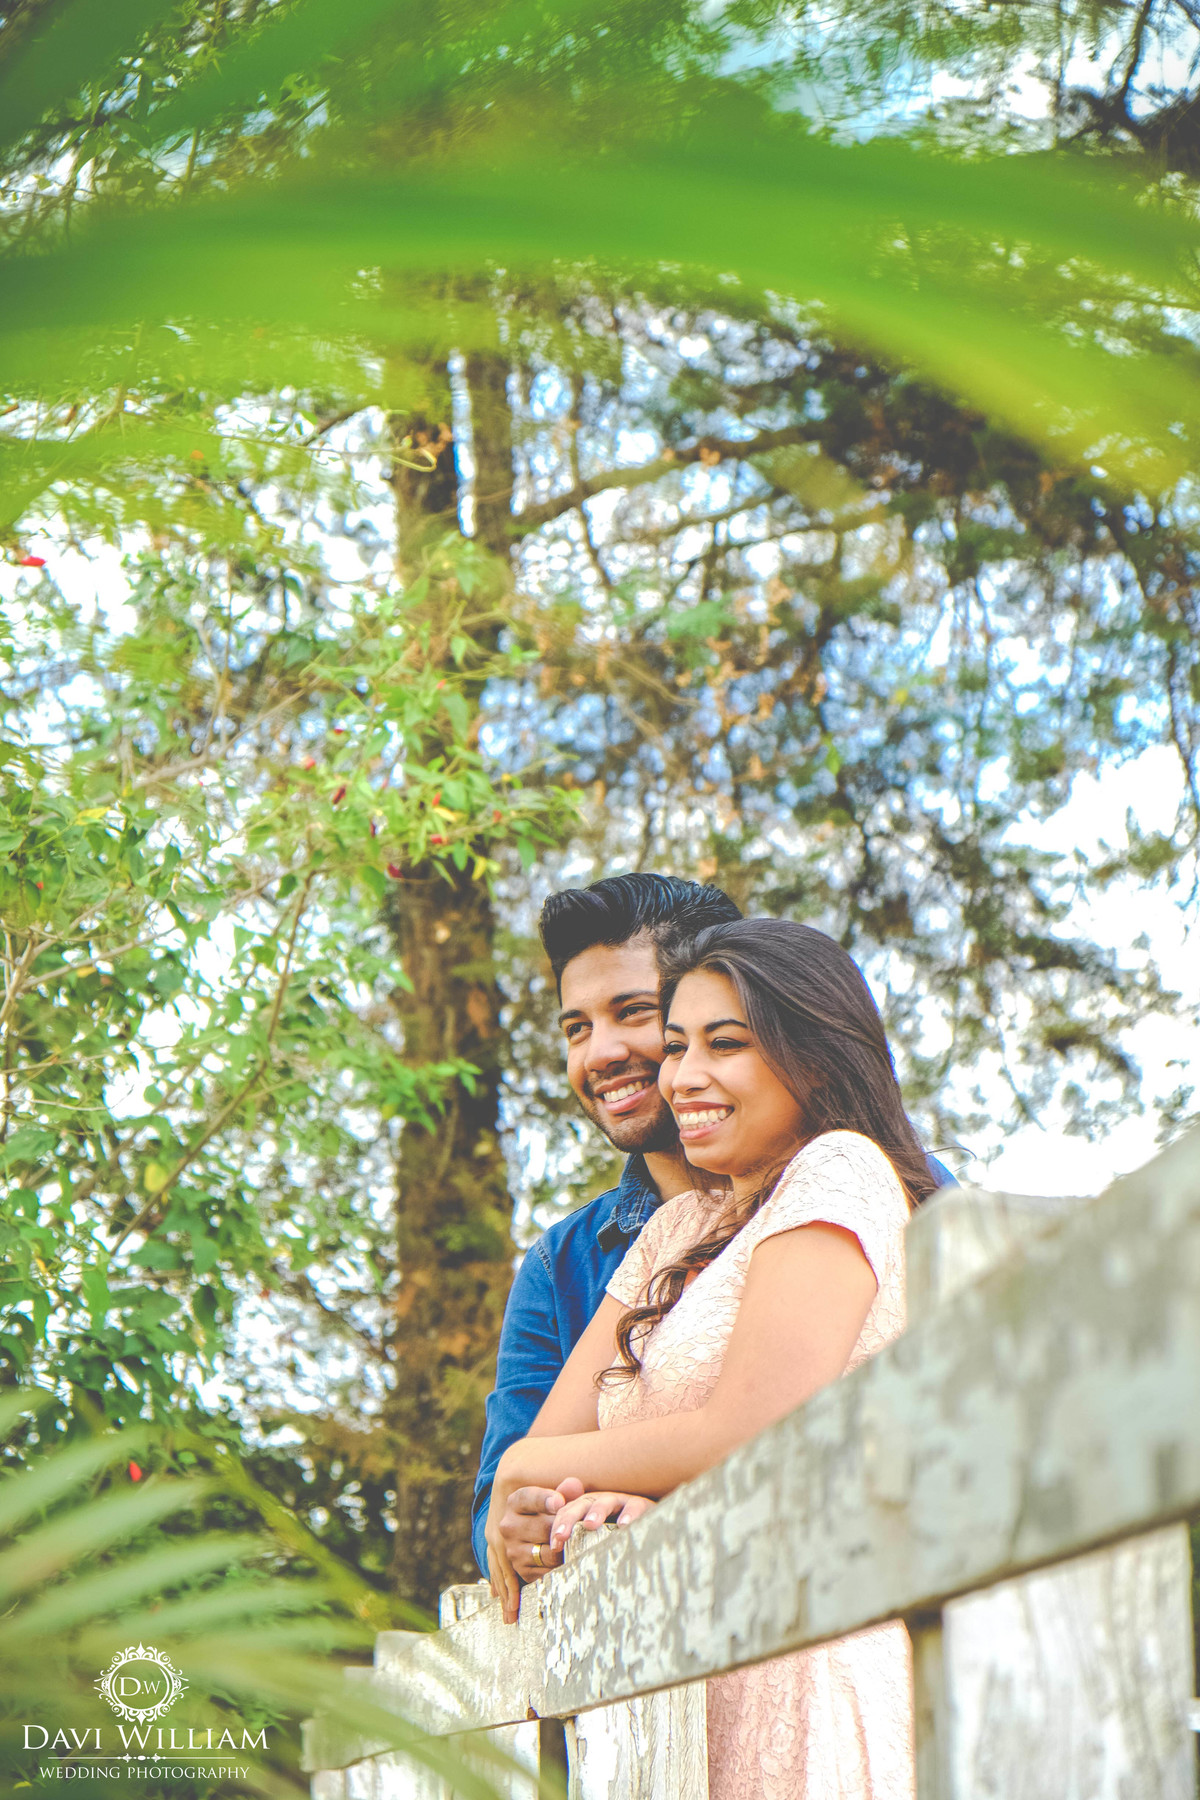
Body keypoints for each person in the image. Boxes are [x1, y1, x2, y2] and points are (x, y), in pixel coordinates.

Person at [485, 918, 932, 1799]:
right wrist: (561, 1505)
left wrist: (532, 1472)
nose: (682, 1076)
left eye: (724, 1044)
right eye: (677, 1046)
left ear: (814, 1056)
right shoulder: (677, 1229)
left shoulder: (841, 1170)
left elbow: (752, 1430)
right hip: (655, 1700)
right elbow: (549, 1455)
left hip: (797, 1661)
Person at [471, 873, 744, 1580]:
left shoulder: (864, 1183)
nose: (598, 1054)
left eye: (633, 1012)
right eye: (577, 1028)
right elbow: (499, 1507)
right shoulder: (561, 1266)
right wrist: (540, 1526)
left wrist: (654, 1492)